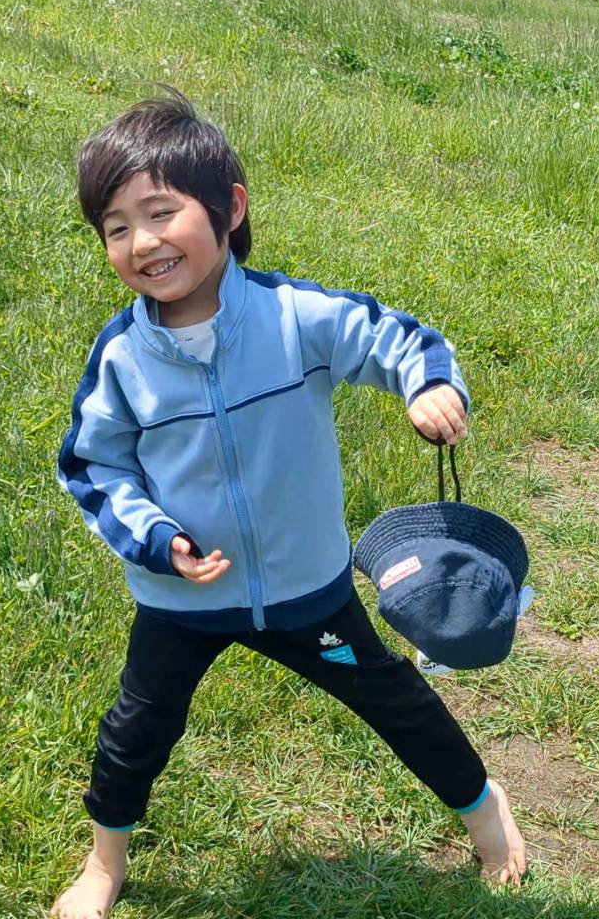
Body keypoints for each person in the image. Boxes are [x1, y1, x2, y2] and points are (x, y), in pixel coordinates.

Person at [50, 89, 527, 919]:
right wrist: (157, 540)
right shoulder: (123, 358)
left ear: (230, 209)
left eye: (161, 213)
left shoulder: (294, 317)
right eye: (116, 227)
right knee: (137, 731)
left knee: (393, 700)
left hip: (309, 590)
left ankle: (488, 815)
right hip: (181, 601)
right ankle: (104, 862)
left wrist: (429, 385)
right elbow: (95, 466)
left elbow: (397, 339)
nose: (142, 242)